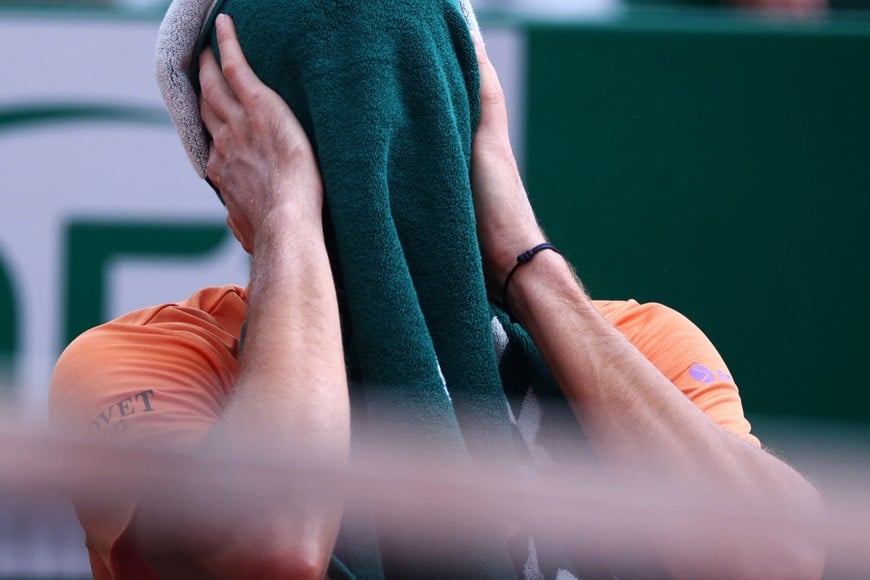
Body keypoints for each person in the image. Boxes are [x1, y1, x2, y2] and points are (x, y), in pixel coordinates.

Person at [50, 12, 824, 580]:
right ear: (233, 174)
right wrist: (289, 218)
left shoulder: (641, 343)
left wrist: (527, 262)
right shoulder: (148, 360)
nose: (377, 185)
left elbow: (777, 557)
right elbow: (267, 545)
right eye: (325, 150)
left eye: (413, 135)